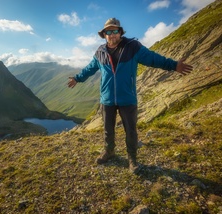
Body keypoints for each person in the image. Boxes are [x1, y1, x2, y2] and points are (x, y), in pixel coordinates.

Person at [68, 18, 193, 174]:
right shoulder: (100, 52)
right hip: (107, 99)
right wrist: (77, 78)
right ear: (104, 34)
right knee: (108, 130)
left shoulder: (132, 47)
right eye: (108, 31)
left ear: (120, 32)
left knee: (131, 130)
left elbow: (153, 58)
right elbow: (89, 69)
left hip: (127, 98)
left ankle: (132, 159)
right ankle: (109, 151)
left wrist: (174, 65)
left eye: (115, 31)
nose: (112, 34)